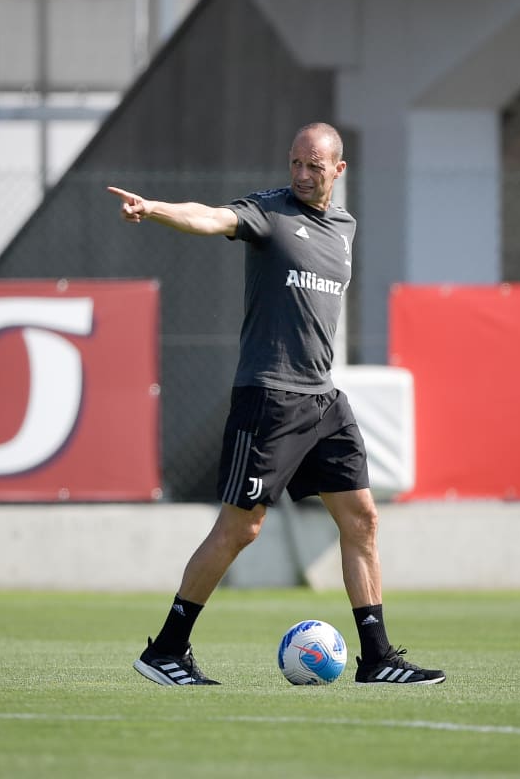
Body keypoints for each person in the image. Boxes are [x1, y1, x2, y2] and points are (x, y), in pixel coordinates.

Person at [107, 122, 446, 686]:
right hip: (270, 396)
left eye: (314, 165)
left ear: (339, 170)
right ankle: (166, 650)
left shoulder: (344, 227)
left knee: (361, 518)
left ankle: (378, 658)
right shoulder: (269, 211)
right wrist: (156, 209)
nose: (301, 174)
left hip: (323, 398)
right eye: (295, 162)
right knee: (241, 529)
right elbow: (213, 216)